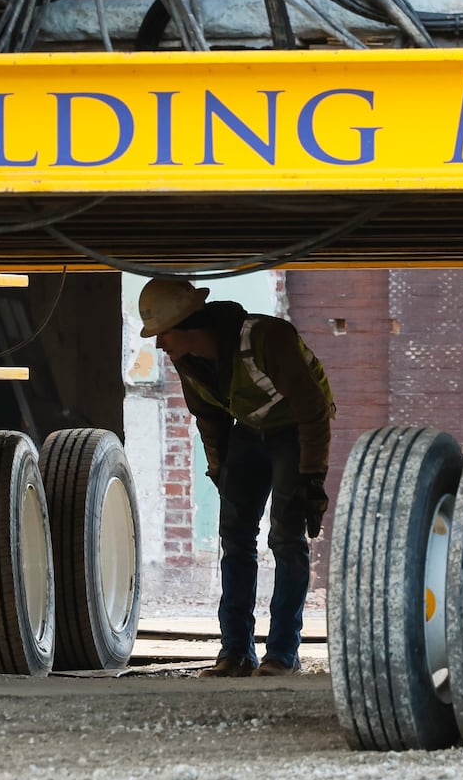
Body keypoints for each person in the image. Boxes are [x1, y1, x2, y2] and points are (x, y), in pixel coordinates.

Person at [139, 278, 334, 677]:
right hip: (249, 430)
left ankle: (282, 654)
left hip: (292, 429)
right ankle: (236, 653)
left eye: (164, 334)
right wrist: (220, 472)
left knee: (285, 537)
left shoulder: (267, 338)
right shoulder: (188, 359)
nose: (159, 345)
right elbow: (209, 418)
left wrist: (311, 478)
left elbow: (312, 409)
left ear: (190, 323)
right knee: (236, 536)